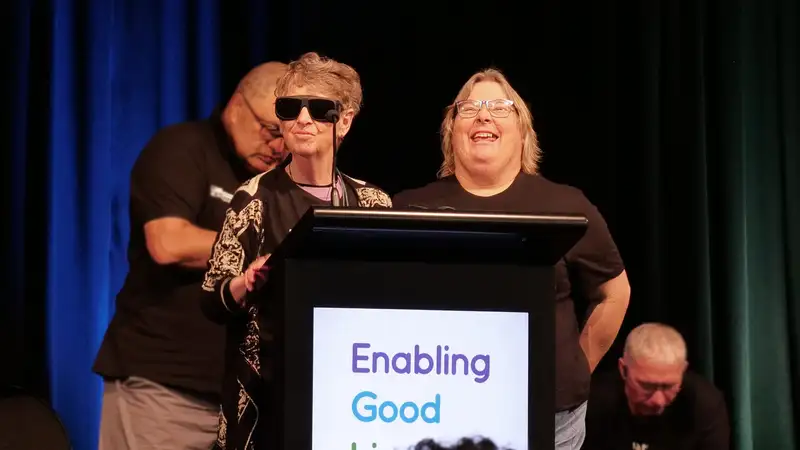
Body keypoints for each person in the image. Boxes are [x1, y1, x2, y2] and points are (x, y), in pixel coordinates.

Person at [392, 68, 631, 449]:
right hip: (439, 411)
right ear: (450, 133)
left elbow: (615, 294)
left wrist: (574, 365)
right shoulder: (409, 208)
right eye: (468, 109)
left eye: (499, 108)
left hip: (550, 418)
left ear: (523, 133)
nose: (483, 115)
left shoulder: (566, 206)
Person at [200, 51, 392, 450]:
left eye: (319, 109)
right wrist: (244, 282)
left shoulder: (373, 202)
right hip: (267, 401)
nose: (303, 120)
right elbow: (212, 299)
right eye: (290, 109)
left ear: (345, 120)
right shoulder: (252, 199)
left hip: (354, 393)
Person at [92, 61, 289, 450]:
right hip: (164, 390)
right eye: (270, 131)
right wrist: (257, 251)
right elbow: (168, 243)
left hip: (244, 403)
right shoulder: (182, 148)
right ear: (237, 105)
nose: (279, 147)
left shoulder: (277, 182)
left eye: (286, 137)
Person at [584, 323, 730, 450]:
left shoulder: (704, 403)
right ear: (623, 370)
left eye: (668, 386)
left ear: (682, 371)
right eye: (646, 386)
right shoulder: (593, 402)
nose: (658, 401)